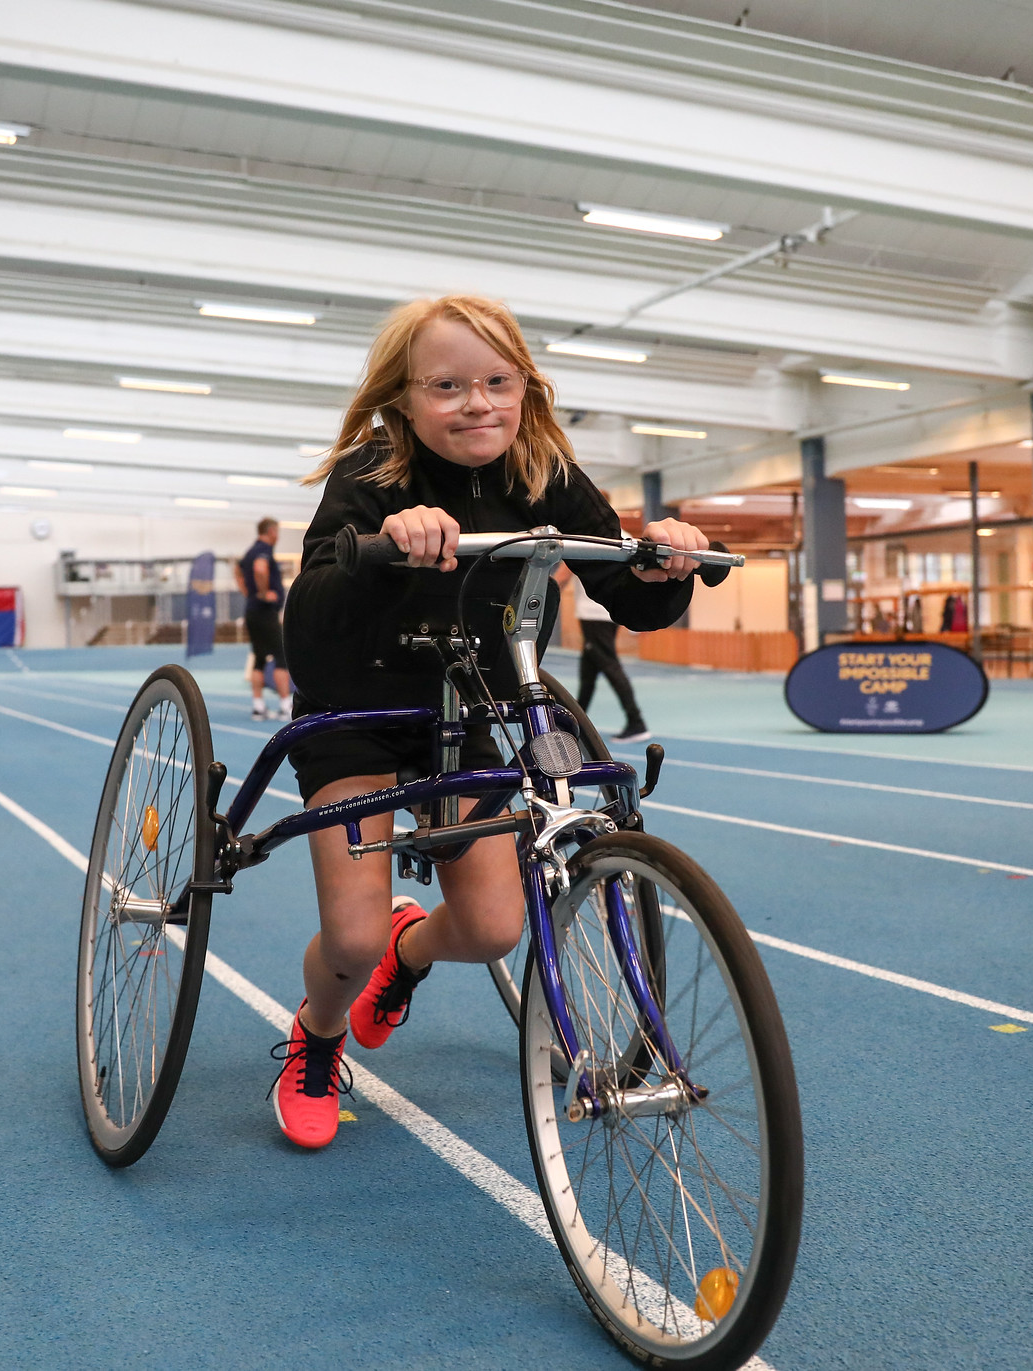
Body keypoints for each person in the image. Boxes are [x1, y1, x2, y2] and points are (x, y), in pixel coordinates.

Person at [271, 294, 712, 1149]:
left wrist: (666, 563)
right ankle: (317, 1036)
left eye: (496, 381)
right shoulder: (371, 477)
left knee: (492, 927)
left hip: (467, 705)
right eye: (447, 385)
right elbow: (309, 624)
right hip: (355, 709)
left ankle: (412, 951)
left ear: (524, 387)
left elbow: (630, 595)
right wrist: (388, 547)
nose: (476, 402)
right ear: (404, 398)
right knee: (351, 938)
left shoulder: (545, 474)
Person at [564, 566, 650, 743]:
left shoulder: (586, 538)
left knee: (609, 665)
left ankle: (636, 721)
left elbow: (564, 572)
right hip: (612, 612)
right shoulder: (626, 538)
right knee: (589, 667)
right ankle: (575, 722)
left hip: (593, 613)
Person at [238, 517, 290, 720]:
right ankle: (286, 706)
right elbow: (260, 569)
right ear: (271, 532)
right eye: (277, 531)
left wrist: (248, 593)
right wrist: (263, 592)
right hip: (265, 612)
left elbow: (238, 570)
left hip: (252, 611)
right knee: (280, 656)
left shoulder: (250, 551)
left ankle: (258, 706)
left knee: (259, 658)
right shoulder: (263, 550)